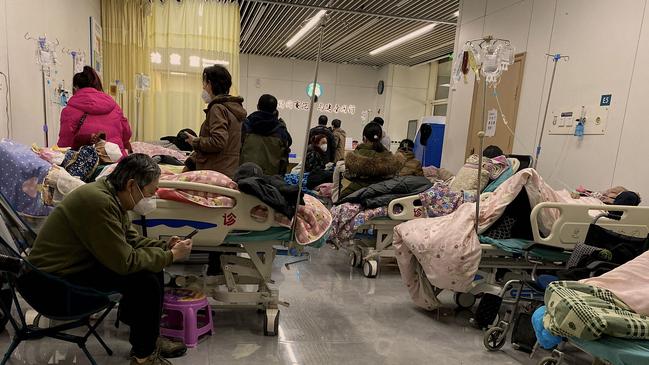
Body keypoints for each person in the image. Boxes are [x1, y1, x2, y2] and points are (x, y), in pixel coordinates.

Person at [28, 154, 193, 365]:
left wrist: (165, 246)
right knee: (144, 279)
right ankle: (144, 356)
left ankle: (147, 340)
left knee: (152, 269)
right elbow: (125, 262)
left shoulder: (112, 195)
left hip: (71, 270)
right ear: (132, 185)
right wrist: (171, 256)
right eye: (150, 193)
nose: (150, 198)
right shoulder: (99, 203)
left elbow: (130, 239)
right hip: (51, 286)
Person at [184, 65, 247, 178]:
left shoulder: (217, 108)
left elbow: (218, 141)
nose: (203, 88)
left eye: (204, 83)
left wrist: (196, 142)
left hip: (214, 172)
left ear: (211, 84)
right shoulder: (233, 109)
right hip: (228, 171)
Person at [57, 66, 132, 156]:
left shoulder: (69, 111)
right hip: (117, 162)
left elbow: (65, 144)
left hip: (87, 165)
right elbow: (126, 133)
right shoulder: (114, 106)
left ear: (76, 88)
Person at [340, 122, 403, 199]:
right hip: (383, 197)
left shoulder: (355, 156)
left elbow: (348, 176)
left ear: (364, 138)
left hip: (356, 196)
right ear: (380, 138)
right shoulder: (390, 157)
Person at [240, 94, 292, 175]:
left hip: (245, 175)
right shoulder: (281, 131)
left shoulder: (246, 125)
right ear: (275, 111)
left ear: (258, 106)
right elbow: (284, 156)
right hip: (270, 180)